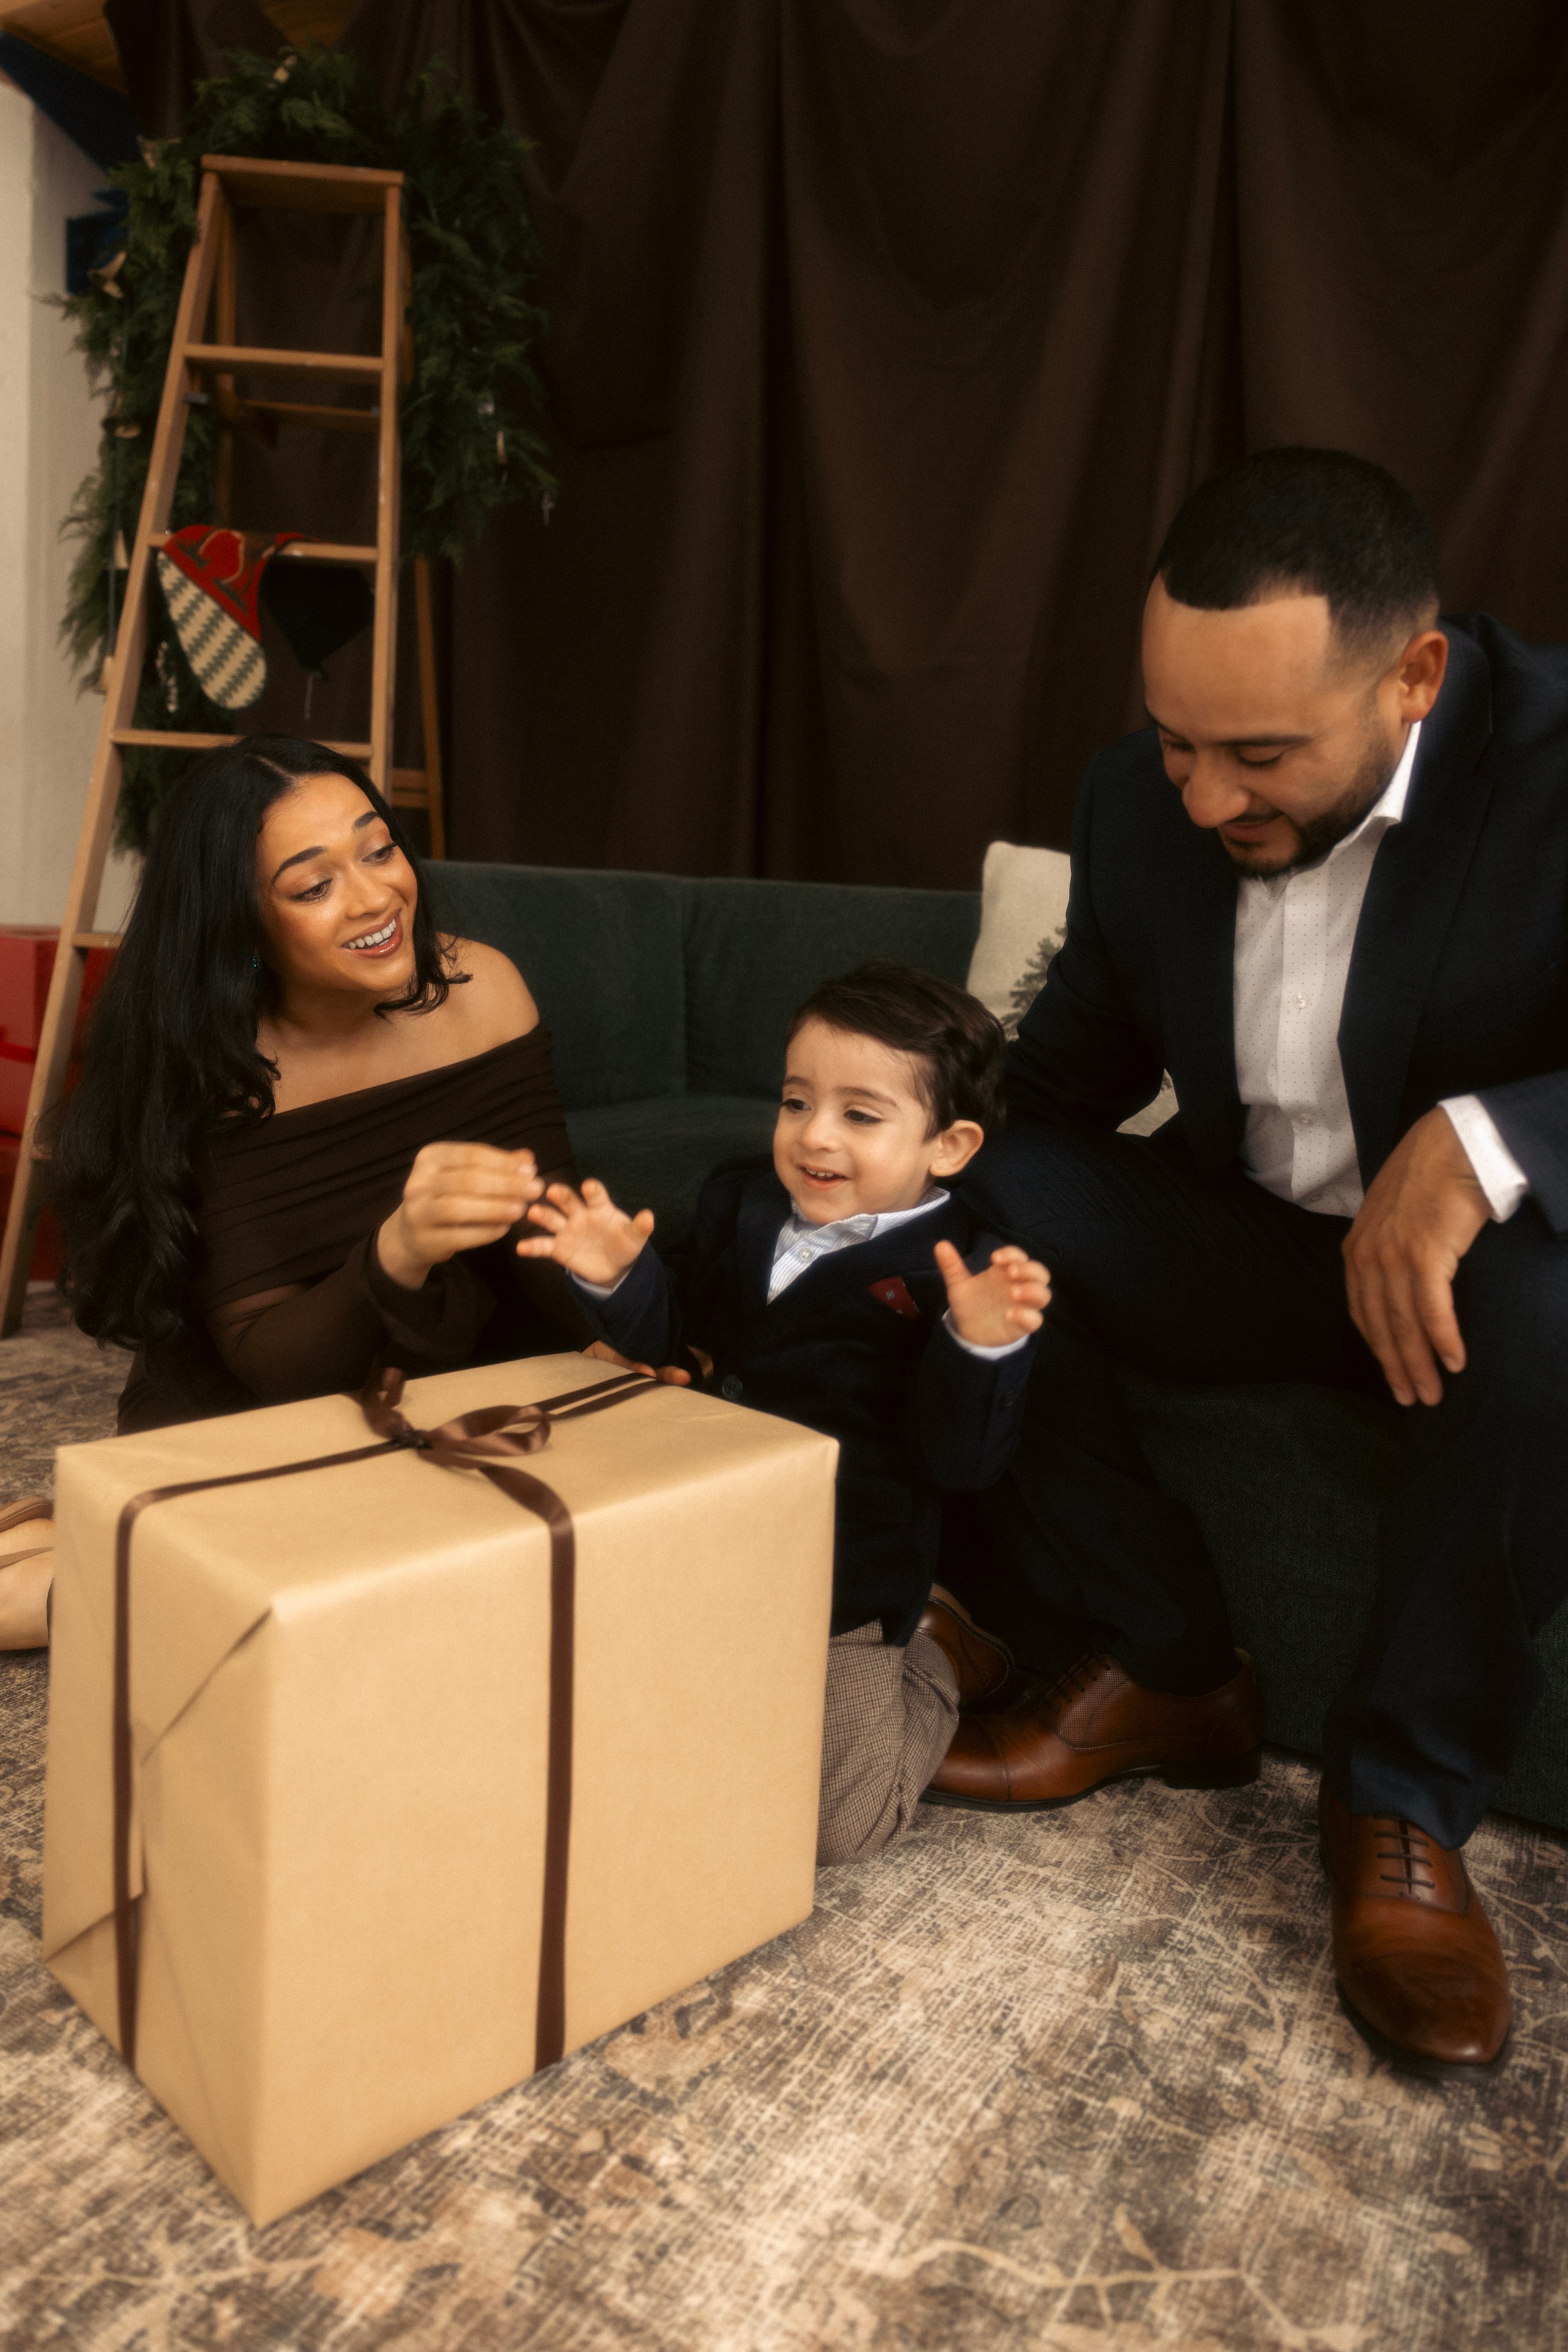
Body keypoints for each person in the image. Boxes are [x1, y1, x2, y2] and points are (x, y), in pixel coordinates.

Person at [937, 445, 1568, 2081]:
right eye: (1177, 741)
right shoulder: (1133, 800)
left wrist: (1485, 1139)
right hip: (1251, 1242)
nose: (1205, 799)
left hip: (1479, 1292)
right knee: (967, 1195)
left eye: (1262, 756)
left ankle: (1401, 1802)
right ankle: (1168, 1667)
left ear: (1414, 676)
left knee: (1553, 1303)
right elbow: (1066, 1072)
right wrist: (870, 1144)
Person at [1, 737, 611, 1652]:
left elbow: (546, 1231)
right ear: (243, 925)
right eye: (313, 885)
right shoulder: (218, 1069)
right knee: (284, 1621)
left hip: (442, 1376)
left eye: (379, 850)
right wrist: (399, 1250)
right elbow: (273, 1365)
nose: (374, 899)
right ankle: (63, 1574)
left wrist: (609, 1289)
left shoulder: (484, 990)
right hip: (254, 1399)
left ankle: (99, 1537)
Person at [516, 961, 1055, 1863]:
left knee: (838, 1827)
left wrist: (981, 1347)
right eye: (797, 1101)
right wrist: (620, 1278)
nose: (815, 1135)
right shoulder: (744, 1198)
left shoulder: (960, 1273)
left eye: (861, 1115)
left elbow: (960, 1463)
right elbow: (680, 1338)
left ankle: (935, 1657)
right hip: (709, 1542)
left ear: (950, 1147)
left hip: (845, 1583)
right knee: (631, 1735)